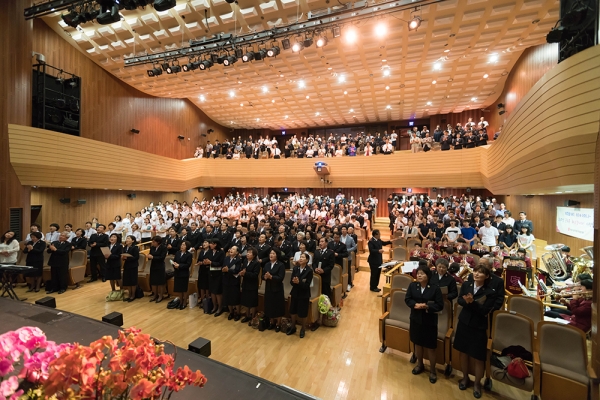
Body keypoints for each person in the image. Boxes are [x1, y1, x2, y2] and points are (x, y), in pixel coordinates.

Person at [454, 265, 497, 398]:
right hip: (464, 322)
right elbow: (460, 299)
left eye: (480, 273)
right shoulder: (467, 285)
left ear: (487, 276)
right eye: (475, 271)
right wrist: (467, 302)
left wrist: (472, 303)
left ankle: (477, 383)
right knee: (463, 353)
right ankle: (465, 377)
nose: (477, 274)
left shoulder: (490, 292)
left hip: (478, 326)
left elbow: (485, 311)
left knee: (478, 357)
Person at [405, 265, 444, 384]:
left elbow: (439, 305)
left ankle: (432, 370)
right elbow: (408, 299)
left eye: (422, 273)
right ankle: (420, 365)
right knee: (417, 344)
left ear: (428, 276)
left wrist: (427, 307)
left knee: (430, 347)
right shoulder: (413, 285)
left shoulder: (435, 288)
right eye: (418, 273)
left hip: (429, 321)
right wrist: (414, 305)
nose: (420, 275)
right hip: (416, 319)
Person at [287, 253, 313, 338]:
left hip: (304, 294)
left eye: (303, 257)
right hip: (295, 292)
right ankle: (293, 326)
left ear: (307, 260)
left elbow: (307, 285)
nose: (301, 258)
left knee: (303, 312)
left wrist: (299, 282)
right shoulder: (295, 269)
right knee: (293, 310)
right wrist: (294, 281)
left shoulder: (309, 271)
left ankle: (303, 329)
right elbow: (291, 282)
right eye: (300, 257)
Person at [263, 249, 286, 332]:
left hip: (277, 289)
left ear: (277, 255)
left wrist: (271, 277)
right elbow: (263, 275)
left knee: (277, 306)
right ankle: (272, 322)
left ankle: (278, 323)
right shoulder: (267, 264)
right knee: (269, 305)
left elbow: (280, 278)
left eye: (273, 253)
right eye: (270, 253)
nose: (271, 255)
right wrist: (265, 277)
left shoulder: (281, 265)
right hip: (268, 288)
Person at [240, 247, 260, 324]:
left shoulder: (256, 263)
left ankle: (253, 317)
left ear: (254, 255)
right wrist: (242, 273)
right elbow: (243, 270)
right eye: (247, 252)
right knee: (246, 301)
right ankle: (247, 315)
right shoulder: (245, 261)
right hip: (245, 283)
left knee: (252, 302)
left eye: (250, 253)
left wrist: (245, 273)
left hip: (252, 285)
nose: (247, 254)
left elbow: (255, 275)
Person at [222, 245, 242, 320]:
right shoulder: (226, 258)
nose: (231, 250)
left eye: (233, 249)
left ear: (236, 252)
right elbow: (223, 267)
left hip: (234, 281)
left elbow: (237, 270)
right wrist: (224, 269)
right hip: (226, 280)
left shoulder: (238, 260)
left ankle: (238, 313)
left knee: (235, 298)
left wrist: (228, 270)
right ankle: (231, 312)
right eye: (231, 248)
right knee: (228, 297)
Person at [172, 240, 193, 310]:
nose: (182, 246)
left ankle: (184, 302)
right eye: (181, 245)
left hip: (184, 273)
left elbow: (188, 264)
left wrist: (179, 265)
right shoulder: (177, 253)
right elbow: (174, 261)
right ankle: (180, 302)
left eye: (184, 245)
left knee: (184, 289)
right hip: (177, 272)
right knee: (179, 288)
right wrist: (174, 265)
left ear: (187, 247)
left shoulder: (189, 254)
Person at [207, 239, 225, 315]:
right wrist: (206, 262)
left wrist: (211, 262)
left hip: (218, 274)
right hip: (211, 273)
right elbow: (208, 260)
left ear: (215, 244)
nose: (210, 245)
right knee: (212, 292)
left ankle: (220, 307)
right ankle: (214, 306)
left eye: (211, 243)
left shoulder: (221, 252)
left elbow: (221, 263)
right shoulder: (209, 251)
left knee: (218, 292)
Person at [148, 236, 167, 303]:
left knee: (160, 282)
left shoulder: (163, 248)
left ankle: (161, 296)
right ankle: (155, 295)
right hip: (153, 265)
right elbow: (150, 255)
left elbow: (162, 257)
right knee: (153, 281)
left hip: (160, 266)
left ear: (158, 242)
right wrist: (149, 257)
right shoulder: (152, 247)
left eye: (154, 242)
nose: (152, 243)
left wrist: (153, 257)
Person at [121, 235, 140, 302]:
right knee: (128, 281)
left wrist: (128, 258)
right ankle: (129, 294)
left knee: (133, 280)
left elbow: (136, 257)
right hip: (127, 265)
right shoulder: (125, 247)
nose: (127, 240)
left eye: (129, 238)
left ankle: (133, 295)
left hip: (133, 266)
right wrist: (123, 258)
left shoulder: (135, 248)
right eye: (127, 238)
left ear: (133, 240)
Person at [195, 239, 211, 308]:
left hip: (207, 270)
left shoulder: (210, 252)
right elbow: (198, 260)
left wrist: (204, 263)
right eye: (204, 242)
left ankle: (207, 301)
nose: (204, 243)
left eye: (206, 242)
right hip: (201, 270)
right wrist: (199, 263)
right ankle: (202, 299)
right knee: (201, 286)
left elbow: (210, 261)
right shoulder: (201, 251)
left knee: (206, 287)